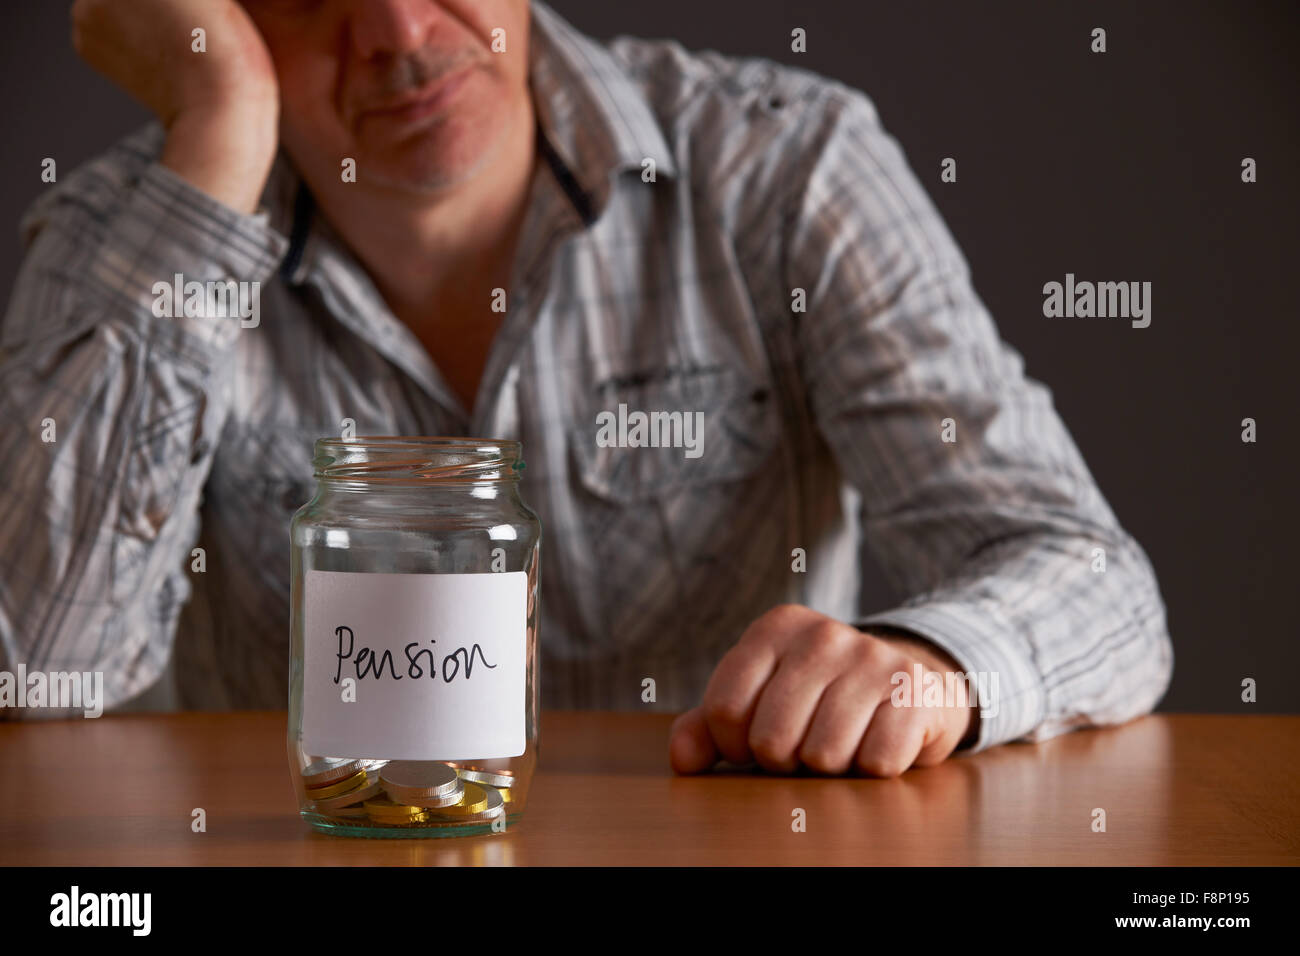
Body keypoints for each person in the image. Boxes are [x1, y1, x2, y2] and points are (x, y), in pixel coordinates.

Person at [0, 0, 1171, 778]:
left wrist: (933, 666)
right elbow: (36, 680)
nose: (401, 31)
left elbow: (1093, 578)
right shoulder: (135, 238)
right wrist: (220, 126)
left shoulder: (783, 164)